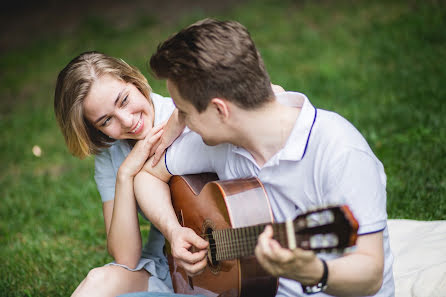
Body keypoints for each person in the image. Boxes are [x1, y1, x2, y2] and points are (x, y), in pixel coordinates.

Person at [129, 18, 395, 297]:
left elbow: (371, 273)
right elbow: (149, 175)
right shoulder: (219, 141)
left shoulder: (339, 150)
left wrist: (316, 272)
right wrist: (173, 231)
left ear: (220, 110)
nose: (179, 123)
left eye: (182, 111)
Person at [54, 51, 186, 297]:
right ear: (94, 130)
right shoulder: (110, 152)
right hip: (167, 264)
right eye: (106, 121)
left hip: (224, 262)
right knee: (98, 280)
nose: (126, 121)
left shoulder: (185, 117)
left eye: (123, 100)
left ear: (135, 82)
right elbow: (125, 258)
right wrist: (125, 174)